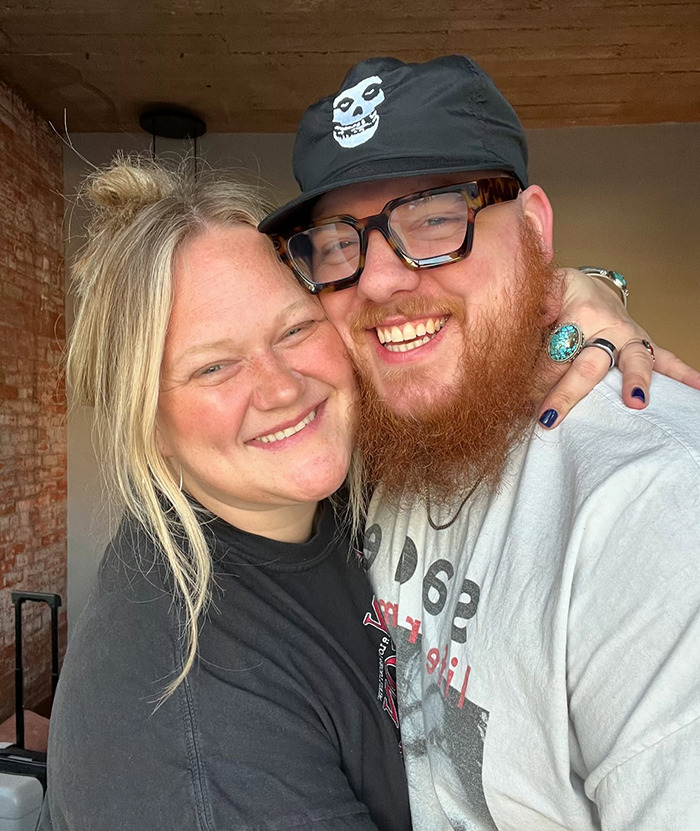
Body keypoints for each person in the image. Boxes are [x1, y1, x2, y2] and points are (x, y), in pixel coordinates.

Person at [259, 56, 700, 829]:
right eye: (336, 243)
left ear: (531, 228)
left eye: (434, 216)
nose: (381, 281)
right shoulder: (349, 437)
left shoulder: (656, 511)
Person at [39, 161, 412, 830]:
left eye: (295, 329)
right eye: (214, 366)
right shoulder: (188, 721)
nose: (281, 388)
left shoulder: (336, 496)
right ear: (150, 423)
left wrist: (584, 302)